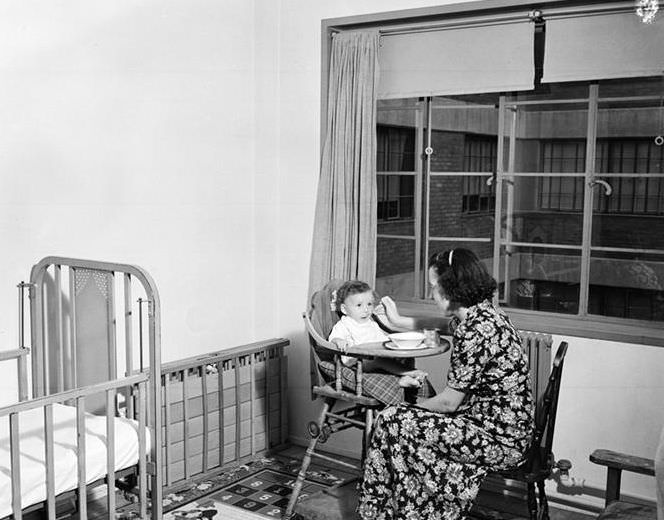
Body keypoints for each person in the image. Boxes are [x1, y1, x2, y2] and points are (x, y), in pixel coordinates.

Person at [358, 248, 534, 520]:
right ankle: (394, 511)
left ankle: (382, 512)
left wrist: (408, 411)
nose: (431, 294)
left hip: (499, 439)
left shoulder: (476, 331)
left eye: (434, 287)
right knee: (396, 421)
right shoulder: (484, 313)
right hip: (503, 427)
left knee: (390, 419)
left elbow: (449, 402)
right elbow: (442, 325)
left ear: (452, 287)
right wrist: (397, 321)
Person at [329, 280, 426, 389]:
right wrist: (339, 341)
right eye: (359, 305)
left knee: (401, 357)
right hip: (357, 362)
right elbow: (333, 338)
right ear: (344, 309)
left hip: (374, 356)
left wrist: (393, 343)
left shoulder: (371, 323)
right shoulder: (345, 324)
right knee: (379, 361)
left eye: (369, 304)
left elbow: (381, 340)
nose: (366, 310)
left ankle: (402, 380)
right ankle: (409, 372)